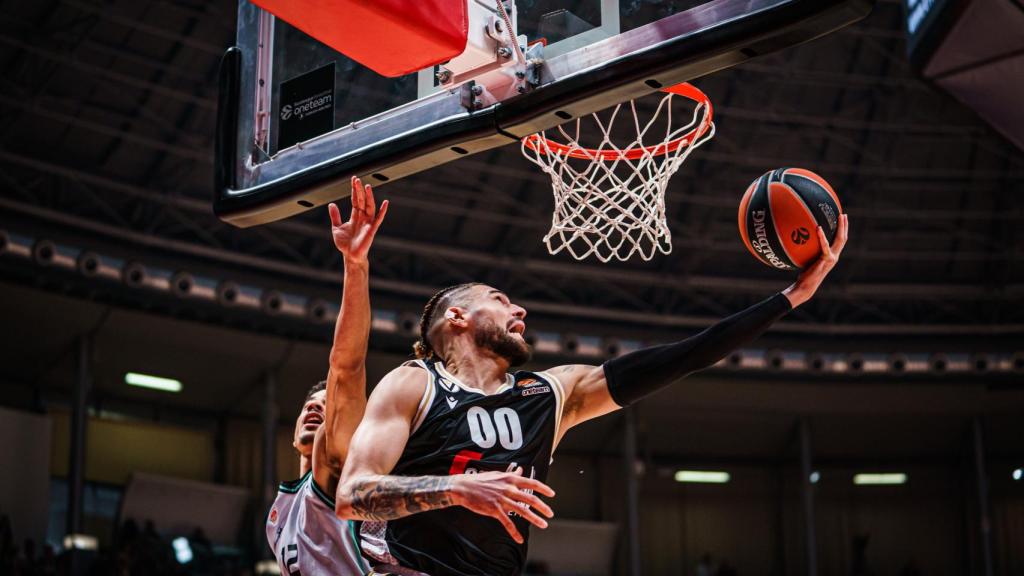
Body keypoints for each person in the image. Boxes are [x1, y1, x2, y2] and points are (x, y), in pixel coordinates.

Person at [336, 217, 849, 575]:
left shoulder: (551, 393)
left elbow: (686, 355)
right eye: (500, 300)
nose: (520, 311)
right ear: (457, 318)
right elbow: (352, 497)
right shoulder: (415, 383)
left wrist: (789, 298)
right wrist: (457, 490)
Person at [265, 177, 387, 575]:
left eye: (326, 406)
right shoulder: (278, 515)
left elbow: (347, 368)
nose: (317, 412)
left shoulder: (333, 466)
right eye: (309, 407)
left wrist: (355, 266)